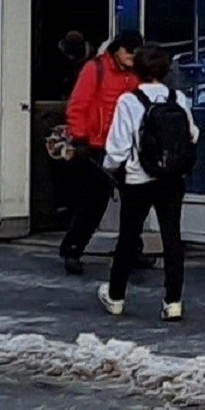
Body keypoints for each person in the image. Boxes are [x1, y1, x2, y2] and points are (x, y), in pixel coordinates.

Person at [100, 49, 201, 320]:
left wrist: (111, 169)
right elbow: (192, 134)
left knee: (128, 237)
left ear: (137, 70)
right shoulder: (177, 97)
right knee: (172, 238)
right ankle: (173, 301)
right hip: (171, 178)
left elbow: (117, 148)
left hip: (137, 178)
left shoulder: (128, 101)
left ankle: (116, 296)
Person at [56, 29, 140, 274]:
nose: (131, 58)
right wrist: (80, 137)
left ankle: (131, 249)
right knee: (93, 202)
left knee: (134, 201)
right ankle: (72, 248)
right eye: (128, 52)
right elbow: (78, 104)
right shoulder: (95, 69)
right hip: (96, 145)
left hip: (125, 144)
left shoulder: (133, 73)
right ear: (117, 49)